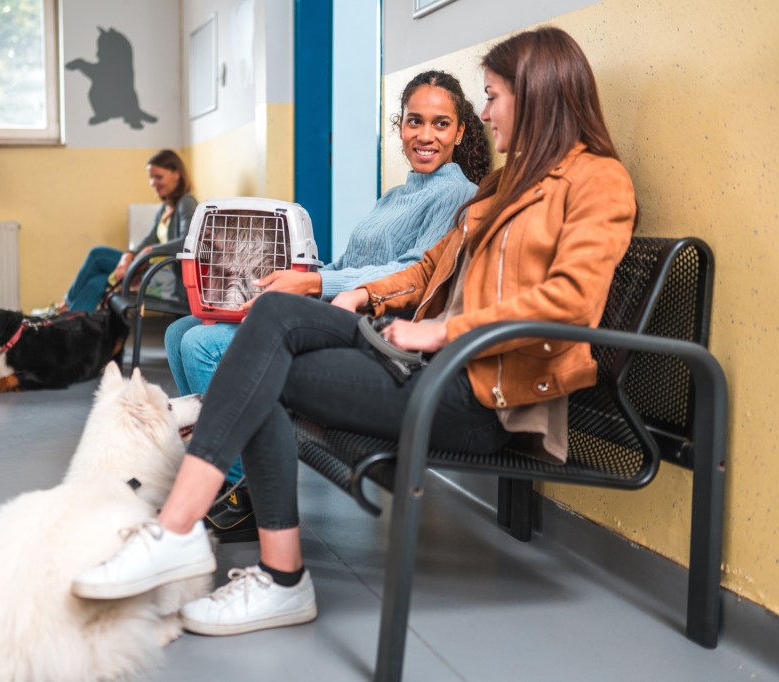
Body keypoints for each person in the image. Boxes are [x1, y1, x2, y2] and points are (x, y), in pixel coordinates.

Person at [71, 27, 637, 636]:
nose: (488, 113)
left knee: (265, 365)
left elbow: (573, 303)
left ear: (536, 96)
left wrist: (446, 334)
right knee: (273, 317)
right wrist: (365, 293)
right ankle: (243, 556)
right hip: (422, 366)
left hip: (479, 391)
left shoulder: (597, 180)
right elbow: (427, 268)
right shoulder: (506, 185)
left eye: (494, 96)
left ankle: (196, 537)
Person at [167, 70, 490, 542]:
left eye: (441, 125)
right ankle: (223, 469)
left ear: (460, 132)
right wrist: (295, 275)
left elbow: (408, 276)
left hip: (374, 326)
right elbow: (351, 263)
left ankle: (247, 490)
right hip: (339, 308)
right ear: (399, 126)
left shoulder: (457, 194)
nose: (425, 136)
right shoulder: (398, 195)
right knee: (180, 332)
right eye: (415, 122)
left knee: (203, 345)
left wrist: (313, 283)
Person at [34, 149, 197, 316]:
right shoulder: (166, 207)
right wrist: (130, 254)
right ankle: (71, 323)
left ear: (176, 174)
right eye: (151, 177)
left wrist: (151, 251)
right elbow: (150, 238)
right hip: (153, 270)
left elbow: (188, 242)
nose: (152, 182)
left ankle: (65, 307)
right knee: (97, 282)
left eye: (158, 177)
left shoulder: (186, 202)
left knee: (98, 255)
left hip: (166, 279)